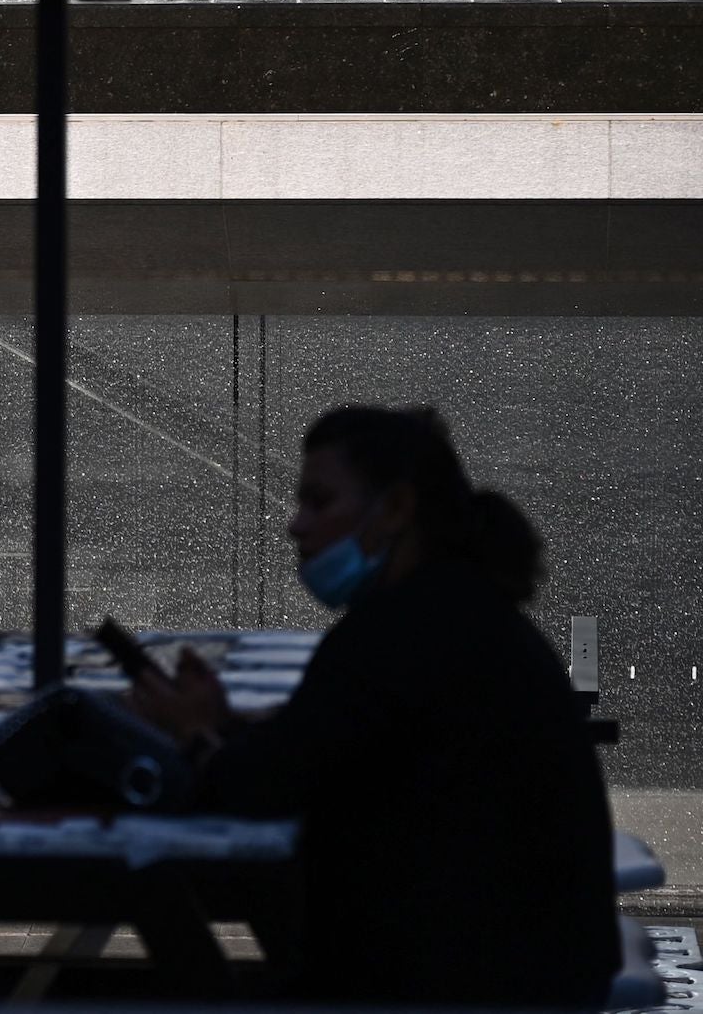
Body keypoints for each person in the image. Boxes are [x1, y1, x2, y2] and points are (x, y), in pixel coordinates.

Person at [131, 405, 618, 1006]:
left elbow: (254, 792)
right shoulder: (459, 611)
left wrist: (196, 733)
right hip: (534, 971)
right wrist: (221, 722)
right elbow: (324, 749)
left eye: (319, 502)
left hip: (455, 983)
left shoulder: (393, 636)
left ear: (394, 509)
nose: (296, 526)